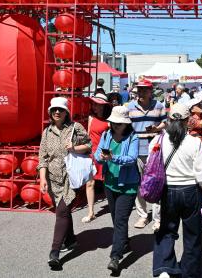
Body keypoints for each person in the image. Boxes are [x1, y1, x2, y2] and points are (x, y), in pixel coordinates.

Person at [152, 103, 202, 278]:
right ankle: (189, 271)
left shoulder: (159, 140)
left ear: (169, 120)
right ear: (188, 121)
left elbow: (151, 166)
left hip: (167, 190)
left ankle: (164, 267)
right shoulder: (195, 142)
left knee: (166, 230)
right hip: (190, 191)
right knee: (193, 234)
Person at [37, 97, 92, 269]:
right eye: (54, 110)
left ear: (66, 112)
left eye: (60, 110)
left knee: (61, 212)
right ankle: (70, 239)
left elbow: (89, 145)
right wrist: (43, 178)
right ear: (50, 113)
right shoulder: (47, 132)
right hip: (53, 180)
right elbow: (42, 159)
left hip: (70, 177)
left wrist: (74, 148)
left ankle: (54, 252)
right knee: (63, 212)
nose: (57, 112)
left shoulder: (76, 128)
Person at [94, 106, 139, 274]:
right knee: (116, 218)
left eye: (120, 123)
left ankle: (115, 257)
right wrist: (101, 157)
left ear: (127, 124)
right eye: (115, 123)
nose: (117, 126)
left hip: (128, 185)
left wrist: (114, 157)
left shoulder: (133, 137)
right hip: (110, 183)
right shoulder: (106, 135)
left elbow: (132, 158)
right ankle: (124, 241)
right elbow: (97, 154)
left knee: (120, 219)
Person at [127, 79, 167, 230]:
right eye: (140, 89)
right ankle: (143, 215)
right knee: (139, 184)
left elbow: (165, 122)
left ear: (151, 91)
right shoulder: (130, 107)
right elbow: (126, 126)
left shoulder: (159, 106)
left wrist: (156, 128)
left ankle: (158, 218)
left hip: (155, 149)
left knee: (156, 183)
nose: (142, 92)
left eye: (145, 89)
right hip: (136, 149)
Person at [83, 93, 111, 223]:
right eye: (93, 104)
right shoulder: (91, 118)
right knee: (90, 183)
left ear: (103, 106)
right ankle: (91, 212)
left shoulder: (110, 120)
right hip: (91, 154)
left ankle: (114, 208)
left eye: (97, 104)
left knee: (108, 183)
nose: (95, 106)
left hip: (104, 155)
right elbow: (88, 135)